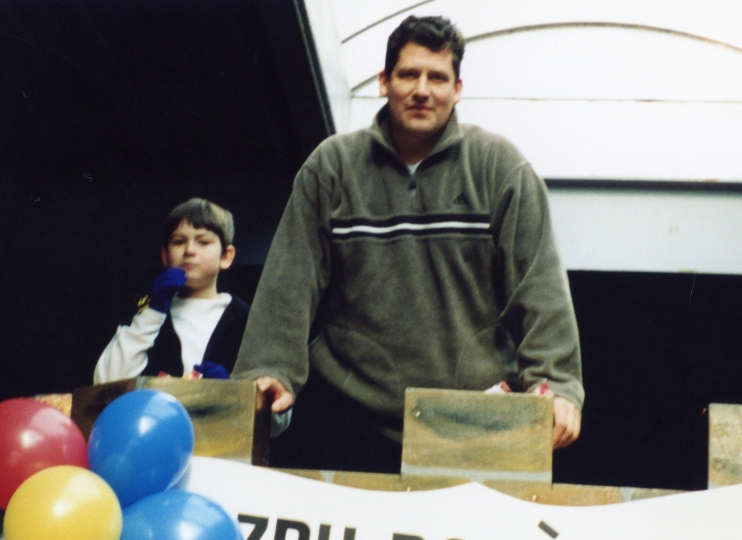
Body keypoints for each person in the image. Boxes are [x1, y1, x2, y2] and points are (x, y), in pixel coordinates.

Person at [232, 15, 583, 472]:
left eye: (437, 77)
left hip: (472, 422)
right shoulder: (331, 166)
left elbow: (539, 286)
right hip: (349, 423)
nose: (422, 90)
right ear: (384, 82)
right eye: (408, 74)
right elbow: (289, 281)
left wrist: (557, 384)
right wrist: (268, 368)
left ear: (457, 89)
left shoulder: (500, 167)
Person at [94, 198, 249, 384]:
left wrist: (233, 390)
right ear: (165, 256)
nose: (189, 250)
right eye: (179, 241)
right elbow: (106, 382)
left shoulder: (247, 319)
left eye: (203, 242)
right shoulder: (143, 314)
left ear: (226, 256)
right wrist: (152, 312)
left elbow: (271, 393)